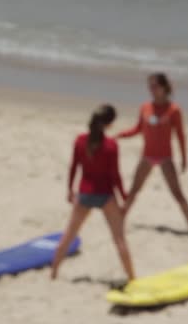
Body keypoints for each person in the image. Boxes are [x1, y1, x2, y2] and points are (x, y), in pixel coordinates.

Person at [51, 104, 135, 281]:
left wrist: (69, 189)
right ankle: (132, 276)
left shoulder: (80, 141)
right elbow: (115, 175)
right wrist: (124, 197)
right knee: (119, 239)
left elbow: (74, 167)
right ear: (109, 124)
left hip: (85, 194)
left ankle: (54, 273)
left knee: (68, 235)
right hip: (105, 195)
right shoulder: (111, 146)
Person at [116, 72, 188, 233]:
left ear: (164, 87)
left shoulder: (174, 110)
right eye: (150, 86)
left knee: (177, 193)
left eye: (154, 86)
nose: (151, 89)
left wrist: (184, 159)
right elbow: (138, 129)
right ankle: (119, 223)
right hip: (147, 157)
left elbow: (180, 136)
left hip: (165, 158)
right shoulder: (145, 107)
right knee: (133, 191)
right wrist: (120, 135)